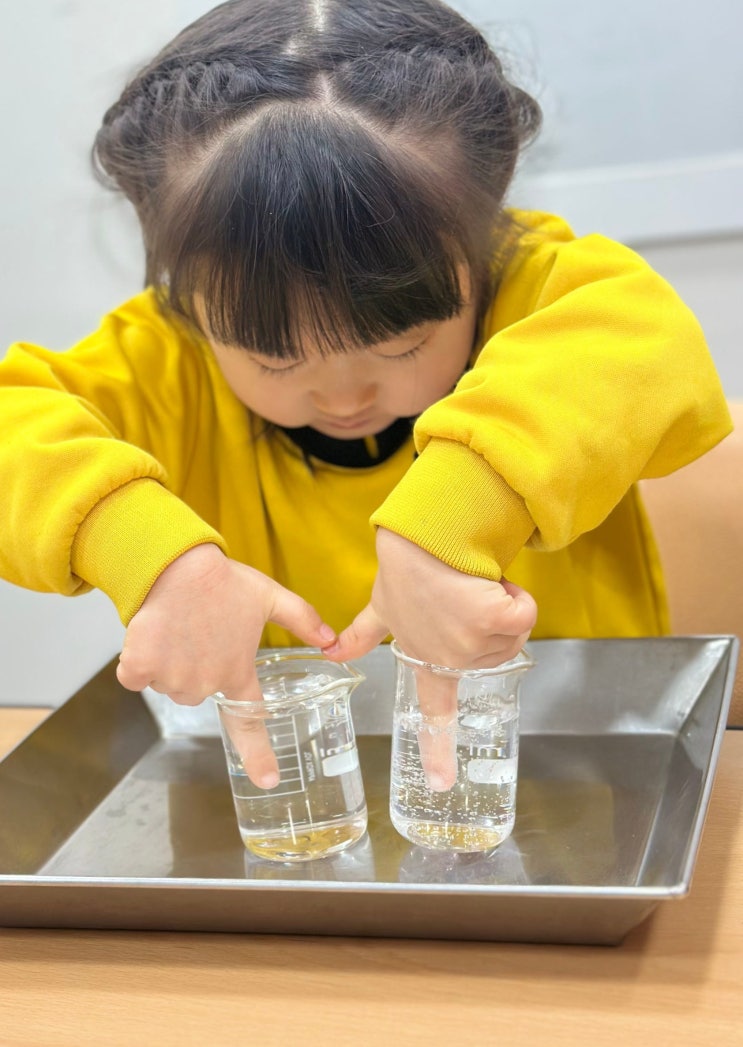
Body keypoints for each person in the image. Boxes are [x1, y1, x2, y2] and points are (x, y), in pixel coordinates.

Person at [0, 0, 731, 788]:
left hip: (568, 763)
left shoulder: (538, 292)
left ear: (482, 245)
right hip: (297, 785)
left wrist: (450, 520)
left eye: (400, 344)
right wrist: (153, 557)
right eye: (273, 358)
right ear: (188, 298)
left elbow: (643, 343)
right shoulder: (169, 354)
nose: (341, 394)